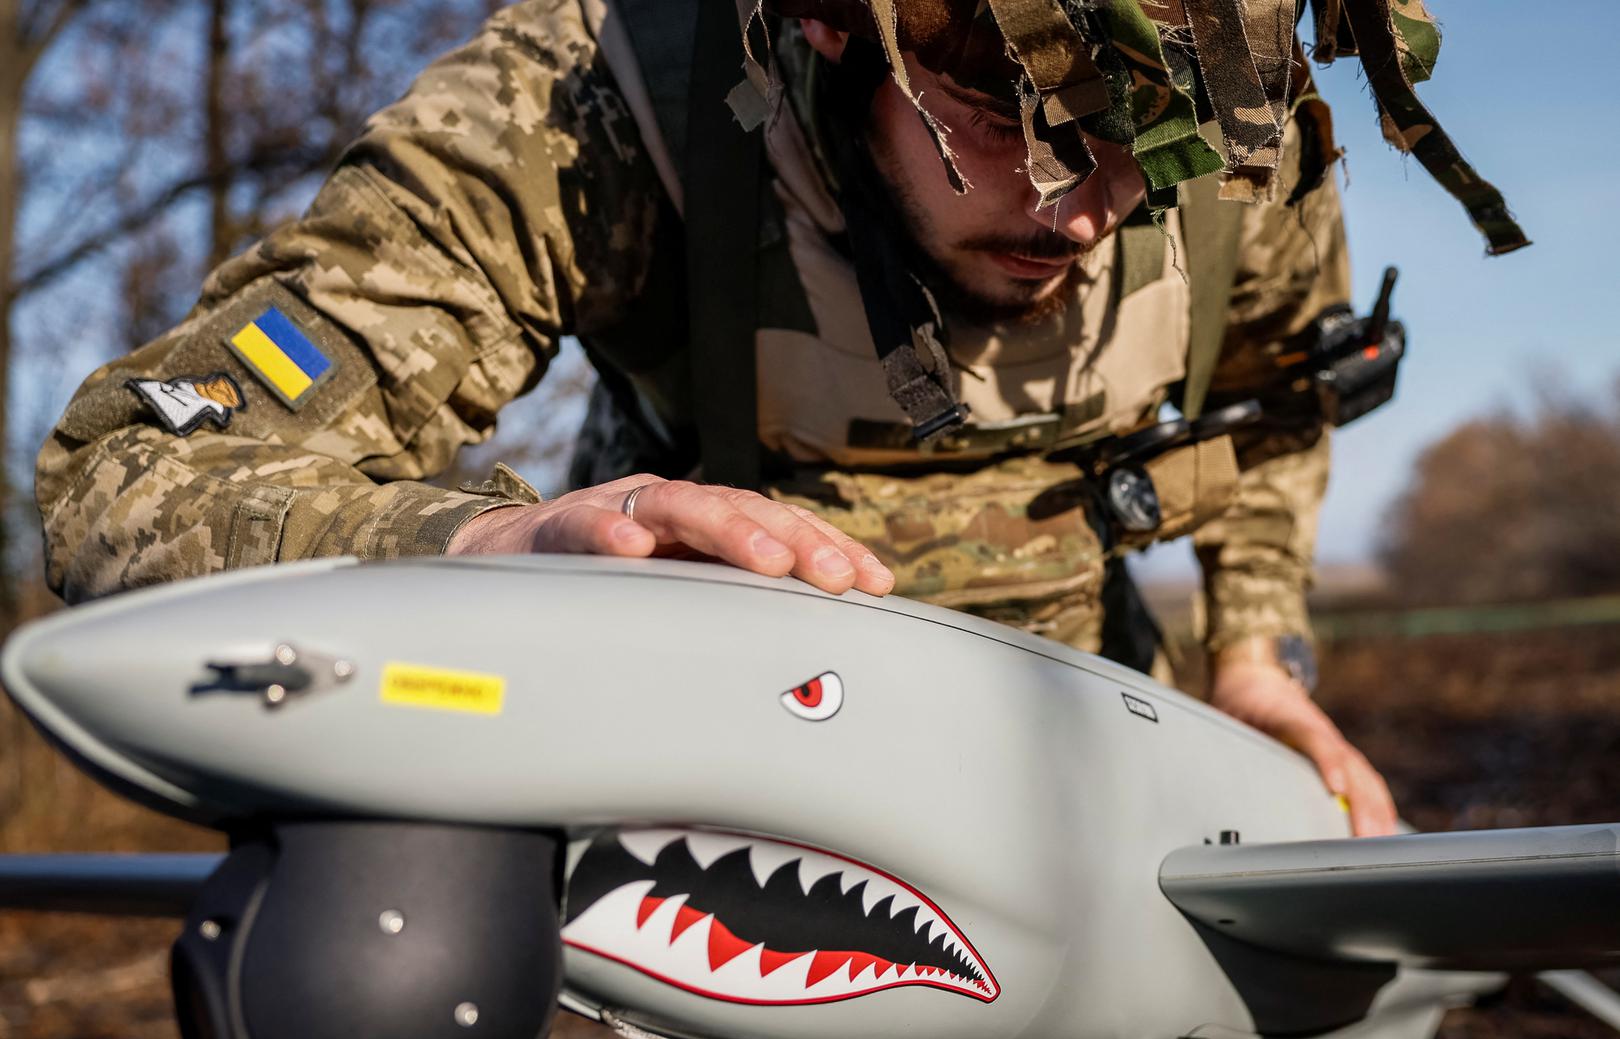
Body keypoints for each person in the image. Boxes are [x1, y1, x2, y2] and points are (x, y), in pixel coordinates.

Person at [33, 0, 1525, 839]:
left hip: (1088, 716)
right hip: (717, 712)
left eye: (1145, 140)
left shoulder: (1231, 117)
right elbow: (135, 465)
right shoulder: (587, 109)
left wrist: (1257, 654)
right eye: (1010, 114)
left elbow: (1280, 389)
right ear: (826, 25)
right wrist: (489, 549)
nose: (1081, 209)